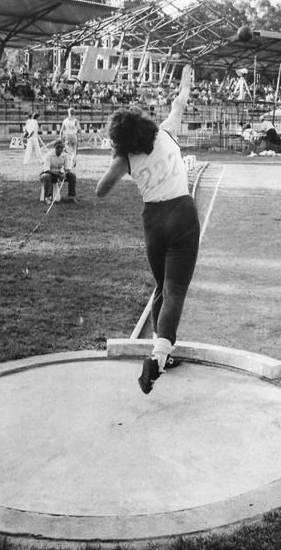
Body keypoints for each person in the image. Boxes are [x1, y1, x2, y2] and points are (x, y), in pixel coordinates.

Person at [96, 65, 200, 395]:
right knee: (175, 291)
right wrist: (184, 84)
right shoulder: (165, 131)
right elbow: (179, 104)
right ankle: (157, 359)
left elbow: (101, 190)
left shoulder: (124, 158)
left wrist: (119, 157)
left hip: (153, 221)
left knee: (161, 287)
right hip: (181, 213)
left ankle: (162, 354)